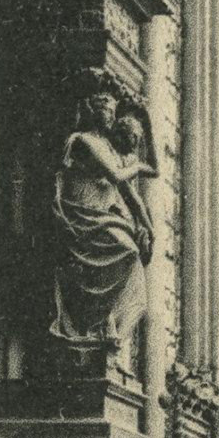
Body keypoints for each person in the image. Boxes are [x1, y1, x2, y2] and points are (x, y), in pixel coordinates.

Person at [52, 83, 156, 354]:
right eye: (104, 110)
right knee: (126, 249)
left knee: (138, 284)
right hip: (83, 214)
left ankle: (110, 331)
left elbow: (133, 193)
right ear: (92, 111)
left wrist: (149, 227)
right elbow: (117, 175)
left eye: (111, 111)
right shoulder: (84, 140)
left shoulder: (110, 149)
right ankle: (98, 323)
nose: (109, 115)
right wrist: (138, 165)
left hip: (101, 217)